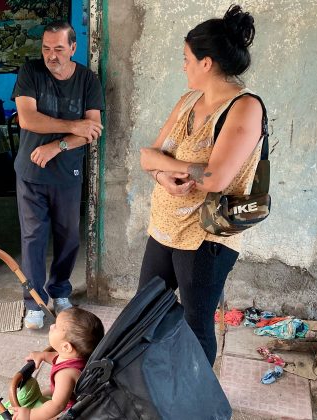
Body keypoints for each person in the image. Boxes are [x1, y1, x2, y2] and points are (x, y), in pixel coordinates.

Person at [138, 4, 264, 366]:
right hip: (166, 226)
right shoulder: (188, 101)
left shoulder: (244, 107)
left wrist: (165, 164)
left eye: (187, 59)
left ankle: (197, 400)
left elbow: (217, 179)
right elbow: (148, 157)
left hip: (207, 235)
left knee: (196, 325)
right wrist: (165, 174)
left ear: (206, 63)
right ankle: (160, 383)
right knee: (147, 308)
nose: (184, 66)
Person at [12, 21, 104, 329]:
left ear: (73, 48)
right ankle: (35, 302)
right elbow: (27, 119)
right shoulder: (30, 72)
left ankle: (60, 290)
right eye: (46, 49)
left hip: (67, 172)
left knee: (69, 236)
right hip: (31, 173)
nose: (52, 56)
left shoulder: (87, 79)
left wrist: (59, 145)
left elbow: (92, 129)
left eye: (59, 50)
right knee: (33, 237)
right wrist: (72, 125)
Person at [8, 307, 104, 420]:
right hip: (66, 395)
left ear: (66, 347)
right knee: (44, 393)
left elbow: (57, 405)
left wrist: (29, 415)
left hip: (69, 412)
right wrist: (43, 356)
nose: (51, 326)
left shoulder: (65, 374)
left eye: (56, 327)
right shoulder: (76, 356)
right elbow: (58, 357)